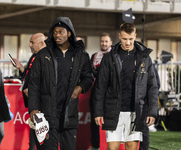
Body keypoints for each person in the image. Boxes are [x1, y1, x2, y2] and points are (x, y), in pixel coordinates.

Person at [28, 17, 93, 150]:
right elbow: (33, 84)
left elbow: (88, 77)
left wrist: (79, 89)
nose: (57, 35)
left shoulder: (81, 55)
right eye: (55, 32)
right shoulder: (43, 55)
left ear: (69, 33)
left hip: (69, 112)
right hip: (47, 113)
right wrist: (33, 109)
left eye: (61, 32)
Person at [93, 23, 158, 150]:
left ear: (135, 36)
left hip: (136, 111)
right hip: (113, 111)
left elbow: (152, 86)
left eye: (130, 39)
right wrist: (98, 111)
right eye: (124, 39)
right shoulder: (109, 57)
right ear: (119, 36)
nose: (127, 42)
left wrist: (152, 111)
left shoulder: (145, 58)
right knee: (112, 148)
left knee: (131, 147)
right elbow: (100, 87)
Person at [12, 33, 46, 150]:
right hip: (33, 104)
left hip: (41, 105)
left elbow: (47, 82)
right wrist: (21, 67)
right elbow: (29, 76)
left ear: (42, 43)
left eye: (32, 42)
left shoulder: (46, 59)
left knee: (41, 140)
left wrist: (34, 91)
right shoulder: (34, 56)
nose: (29, 45)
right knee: (33, 140)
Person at [88, 33, 112, 150]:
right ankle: (95, 145)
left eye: (106, 41)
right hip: (96, 92)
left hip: (110, 93)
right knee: (94, 120)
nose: (104, 43)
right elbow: (90, 73)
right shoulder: (94, 56)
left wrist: (99, 72)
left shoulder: (114, 55)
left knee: (110, 121)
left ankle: (109, 145)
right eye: (102, 41)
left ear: (111, 43)